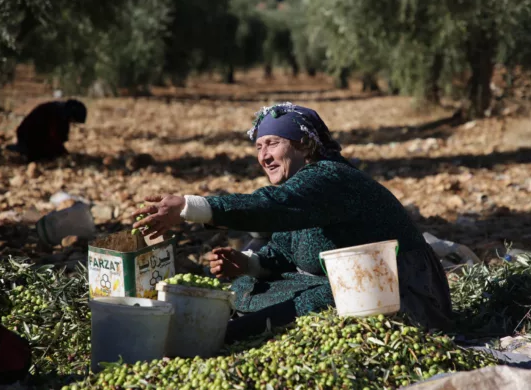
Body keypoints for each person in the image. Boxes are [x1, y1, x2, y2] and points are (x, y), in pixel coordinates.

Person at [132, 102, 452, 342]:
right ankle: (239, 322)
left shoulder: (331, 178)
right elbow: (283, 252)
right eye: (258, 147)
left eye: (272, 143)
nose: (264, 156)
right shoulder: (301, 185)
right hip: (351, 285)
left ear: (302, 143)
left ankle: (225, 336)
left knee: (326, 298)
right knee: (244, 285)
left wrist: (190, 206)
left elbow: (270, 206)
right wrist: (246, 264)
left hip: (401, 293)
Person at [6, 99, 87, 162]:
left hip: (28, 135)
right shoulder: (57, 113)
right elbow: (55, 137)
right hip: (29, 139)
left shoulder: (59, 109)